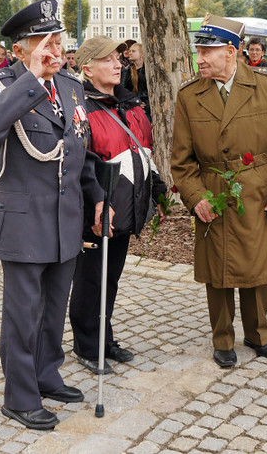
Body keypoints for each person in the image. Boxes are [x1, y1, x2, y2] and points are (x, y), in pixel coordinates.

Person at [0, 0, 106, 431]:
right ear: (19, 50)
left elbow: (78, 146)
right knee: (23, 313)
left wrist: (96, 195)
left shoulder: (70, 85)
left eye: (57, 41)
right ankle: (20, 396)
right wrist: (31, 77)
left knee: (52, 310)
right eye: (43, 42)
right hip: (23, 222)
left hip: (65, 218)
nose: (54, 50)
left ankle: (47, 375)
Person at [171, 14, 267, 369]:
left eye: (207, 51)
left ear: (231, 51)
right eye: (198, 51)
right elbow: (181, 162)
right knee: (218, 272)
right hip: (214, 193)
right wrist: (196, 197)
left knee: (260, 270)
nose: (199, 58)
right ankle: (222, 339)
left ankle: (259, 334)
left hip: (260, 192)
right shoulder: (189, 94)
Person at [69, 36, 167, 374]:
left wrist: (156, 191)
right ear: (86, 68)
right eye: (107, 60)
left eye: (118, 59)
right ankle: (85, 344)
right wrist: (95, 202)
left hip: (127, 207)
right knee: (91, 280)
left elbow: (145, 152)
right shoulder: (80, 107)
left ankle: (104, 339)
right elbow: (80, 162)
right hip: (97, 212)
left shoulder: (131, 104)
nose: (117, 64)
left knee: (110, 280)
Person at [122, 42, 150, 119]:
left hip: (148, 107)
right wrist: (135, 101)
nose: (130, 53)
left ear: (141, 53)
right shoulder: (127, 70)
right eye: (129, 51)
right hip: (134, 108)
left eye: (133, 51)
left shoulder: (148, 70)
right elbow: (123, 90)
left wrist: (146, 103)